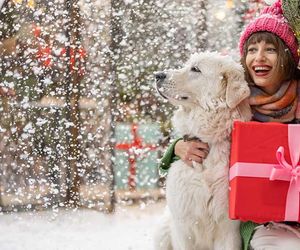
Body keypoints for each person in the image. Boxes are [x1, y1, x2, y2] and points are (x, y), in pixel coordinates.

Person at [158, 1, 300, 249]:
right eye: (252, 49)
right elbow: (207, 125)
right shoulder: (237, 100)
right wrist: (178, 146)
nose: (259, 57)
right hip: (267, 220)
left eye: (271, 49)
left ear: (287, 57)